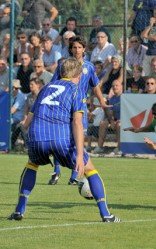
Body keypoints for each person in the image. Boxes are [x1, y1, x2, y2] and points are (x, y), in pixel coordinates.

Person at [7, 58, 121, 223]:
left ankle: (19, 210)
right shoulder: (76, 90)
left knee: (32, 164)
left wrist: (26, 127)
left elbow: (31, 115)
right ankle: (106, 214)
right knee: (90, 170)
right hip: (61, 138)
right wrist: (80, 154)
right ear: (79, 74)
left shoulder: (45, 88)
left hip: (37, 136)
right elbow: (76, 122)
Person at [49, 36, 108, 186]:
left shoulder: (89, 66)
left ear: (84, 49)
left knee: (78, 141)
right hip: (63, 106)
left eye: (79, 47)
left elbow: (95, 86)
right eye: (74, 47)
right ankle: (56, 171)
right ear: (71, 49)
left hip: (79, 107)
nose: (77, 50)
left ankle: (74, 177)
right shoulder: (63, 64)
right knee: (59, 139)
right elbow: (54, 84)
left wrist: (102, 101)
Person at [93, 80, 122, 155]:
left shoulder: (126, 96)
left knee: (119, 124)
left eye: (117, 85)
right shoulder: (112, 99)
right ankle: (100, 147)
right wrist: (112, 121)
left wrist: (118, 121)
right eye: (113, 86)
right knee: (102, 123)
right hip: (115, 120)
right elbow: (110, 113)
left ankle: (119, 148)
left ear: (121, 86)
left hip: (124, 121)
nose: (115, 87)